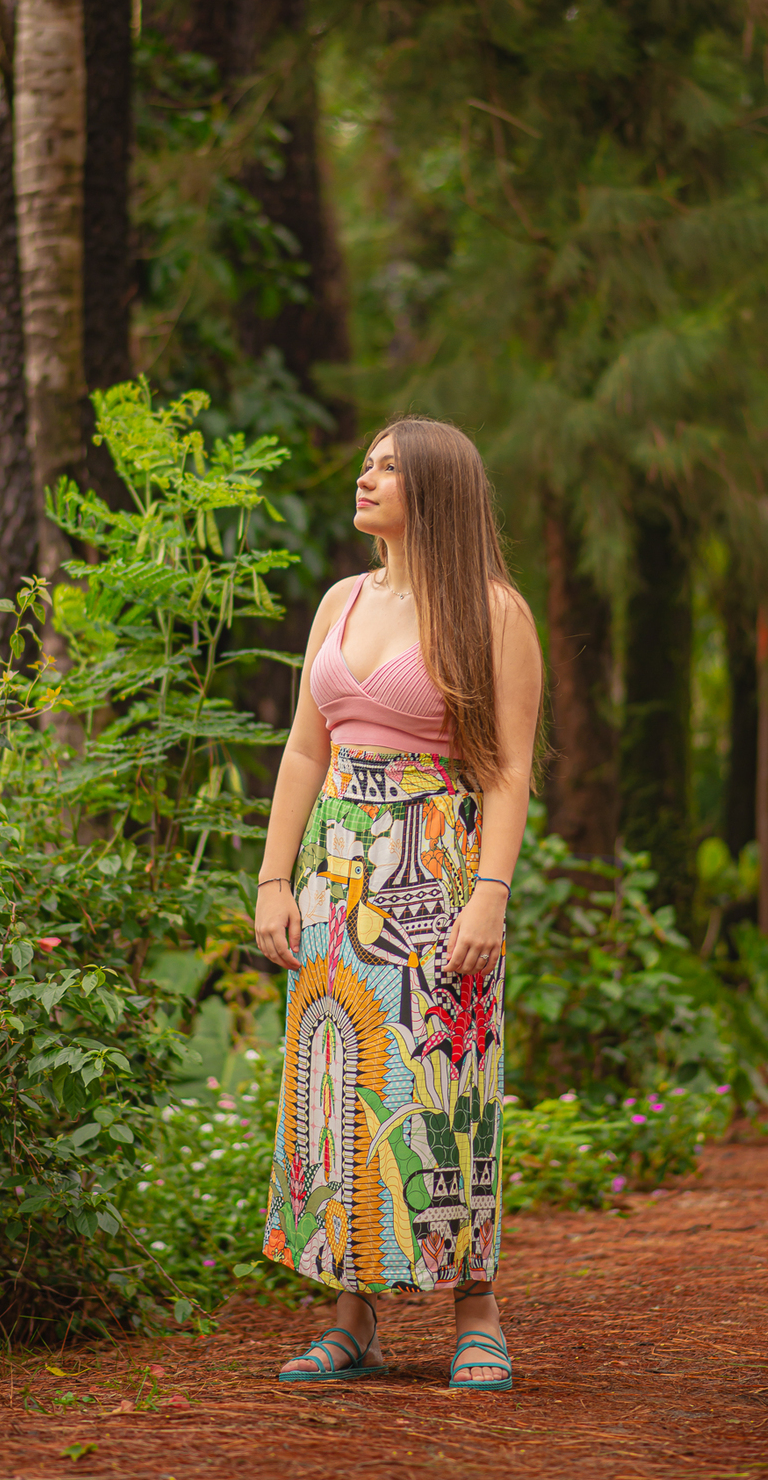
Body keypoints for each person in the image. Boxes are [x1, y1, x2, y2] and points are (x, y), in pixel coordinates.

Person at [254, 416, 542, 1391]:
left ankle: (478, 1312)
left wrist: (490, 898)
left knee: (444, 1093)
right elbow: (305, 748)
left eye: (389, 466)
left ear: (437, 490)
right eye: (368, 462)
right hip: (336, 874)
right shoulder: (339, 599)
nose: (366, 477)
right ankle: (353, 1316)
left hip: (439, 876)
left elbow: (506, 771)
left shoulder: (494, 611)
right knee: (341, 1088)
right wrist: (272, 878)